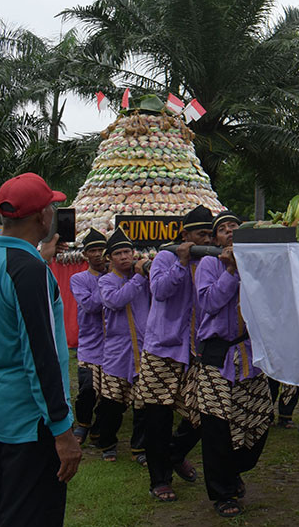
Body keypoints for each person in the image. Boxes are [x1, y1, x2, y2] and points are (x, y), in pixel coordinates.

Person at [0, 172, 81, 526]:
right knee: (28, 512)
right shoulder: (29, 270)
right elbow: (42, 355)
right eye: (51, 206)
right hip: (28, 418)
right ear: (42, 216)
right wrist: (62, 430)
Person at [194, 210, 272, 519]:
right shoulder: (209, 264)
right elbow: (209, 302)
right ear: (215, 240)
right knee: (217, 426)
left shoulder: (256, 264)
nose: (229, 231)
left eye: (234, 227)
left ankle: (235, 469)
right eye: (222, 229)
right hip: (216, 354)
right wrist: (231, 272)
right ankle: (222, 492)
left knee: (260, 415)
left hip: (250, 353)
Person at [134, 205, 213, 501]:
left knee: (202, 412)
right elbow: (160, 291)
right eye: (200, 233)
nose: (205, 238)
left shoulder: (210, 261)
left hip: (196, 349)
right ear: (185, 235)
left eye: (209, 233)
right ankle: (160, 479)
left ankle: (175, 453)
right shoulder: (166, 257)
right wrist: (181, 264)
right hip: (162, 348)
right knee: (158, 415)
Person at [95, 227, 151, 463]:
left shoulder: (144, 279)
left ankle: (140, 449)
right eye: (118, 254)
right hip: (118, 352)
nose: (125, 257)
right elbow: (115, 301)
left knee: (143, 403)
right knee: (112, 402)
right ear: (109, 258)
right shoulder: (106, 281)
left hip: (144, 349)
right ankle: (107, 443)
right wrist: (138, 278)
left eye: (128, 252)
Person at [69, 229, 107, 445]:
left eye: (101, 249)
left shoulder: (118, 275)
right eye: (92, 250)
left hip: (113, 344)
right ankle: (83, 423)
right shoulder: (79, 279)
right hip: (90, 343)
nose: (98, 254)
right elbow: (91, 305)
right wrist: (108, 281)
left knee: (109, 394)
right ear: (85, 255)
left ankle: (100, 430)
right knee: (87, 388)